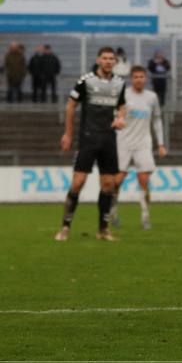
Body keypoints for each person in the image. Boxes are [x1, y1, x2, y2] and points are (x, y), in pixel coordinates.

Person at [54, 47, 126, 241]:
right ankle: (65, 227)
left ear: (115, 62)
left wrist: (121, 117)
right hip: (88, 138)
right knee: (78, 182)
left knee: (109, 184)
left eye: (112, 59)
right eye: (105, 58)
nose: (108, 61)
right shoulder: (85, 81)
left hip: (109, 139)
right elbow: (70, 105)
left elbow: (122, 105)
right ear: (98, 60)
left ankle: (103, 230)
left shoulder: (120, 83)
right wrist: (68, 134)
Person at [111, 66, 166, 230]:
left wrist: (160, 144)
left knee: (143, 181)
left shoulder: (151, 97)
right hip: (124, 142)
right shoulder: (124, 95)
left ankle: (145, 216)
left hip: (143, 143)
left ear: (146, 78)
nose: (139, 79)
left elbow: (157, 120)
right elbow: (115, 117)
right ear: (131, 79)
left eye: (142, 76)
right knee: (117, 181)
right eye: (136, 77)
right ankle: (113, 211)